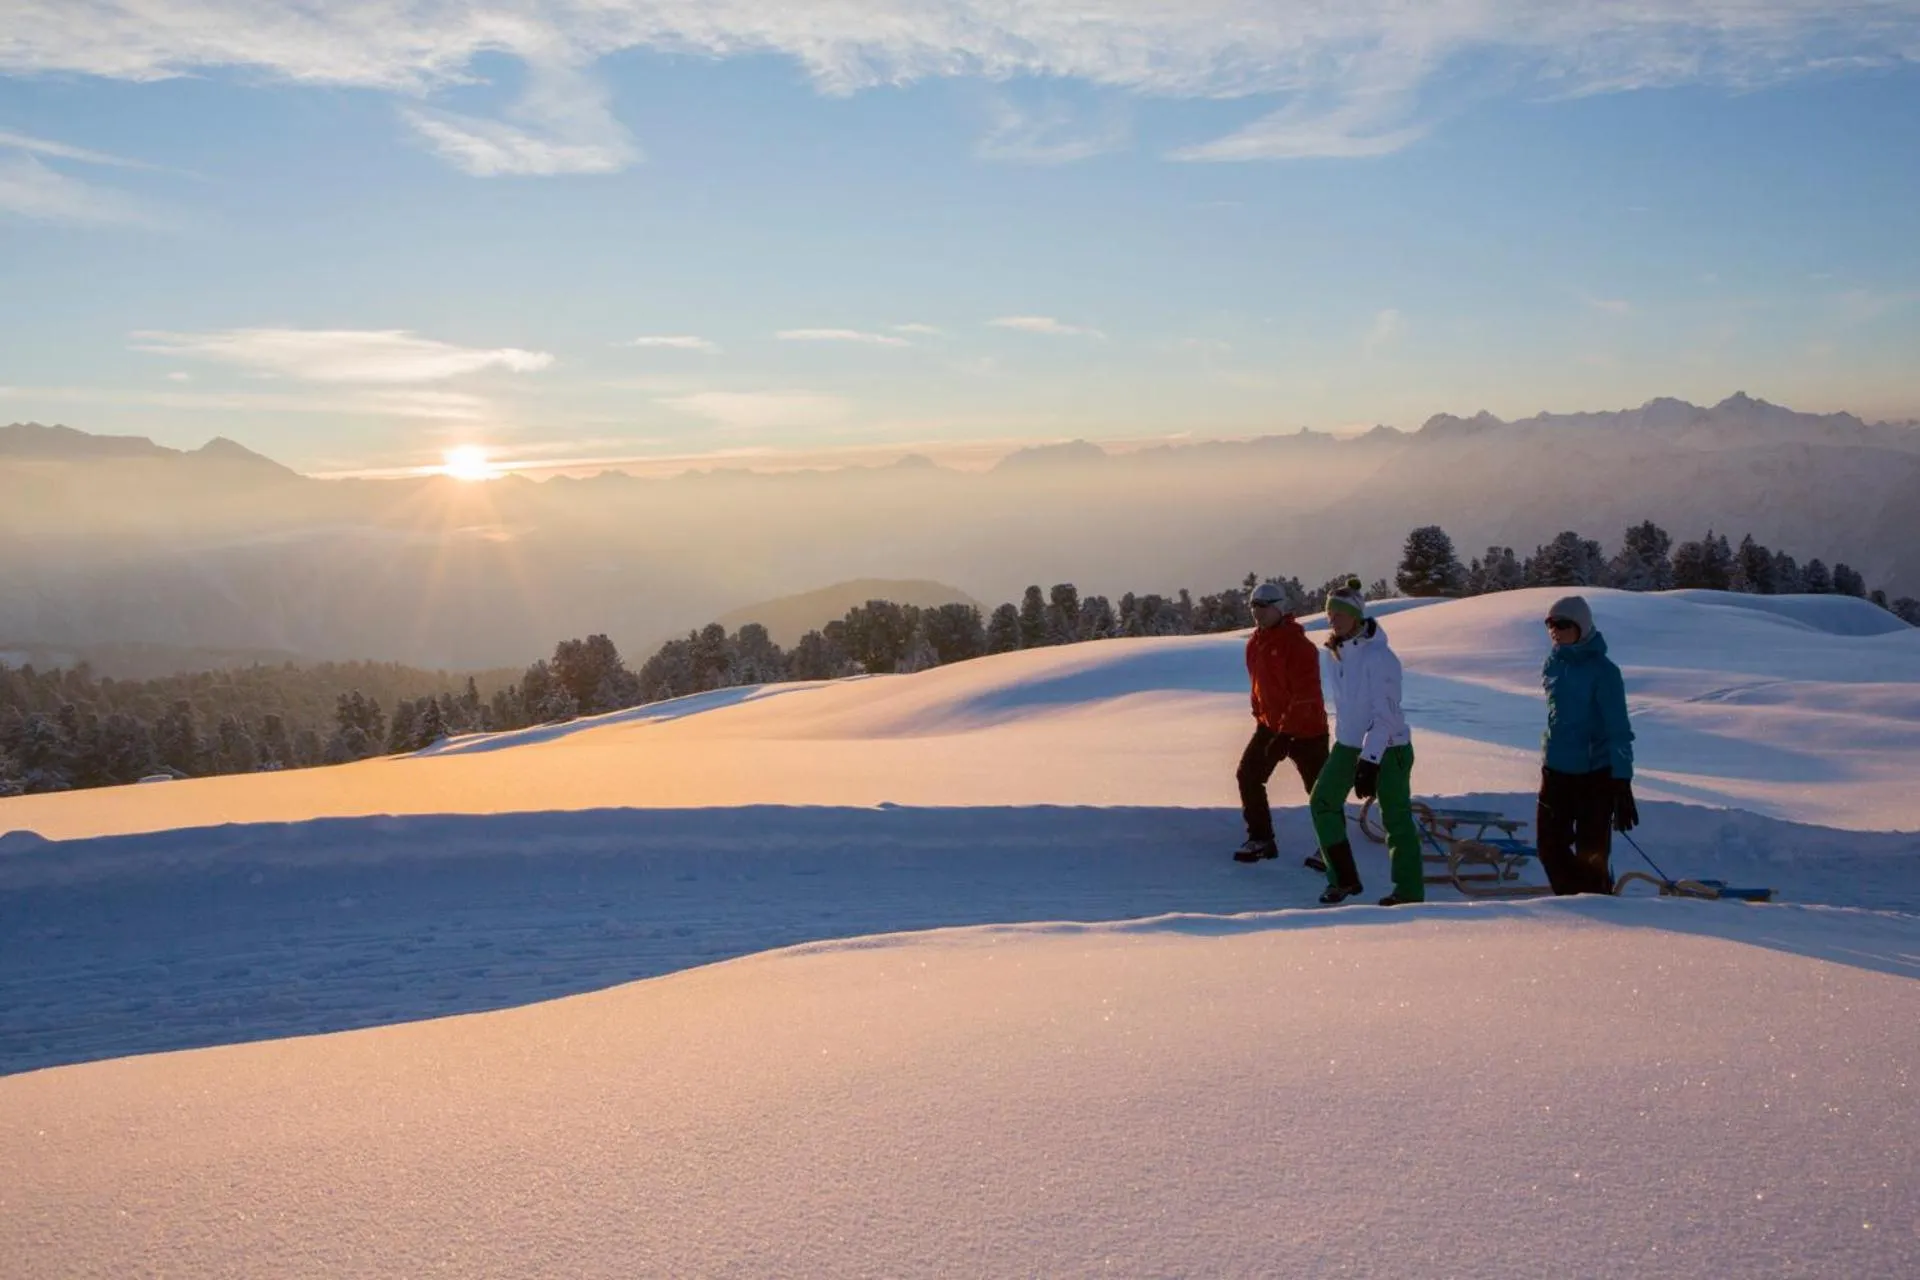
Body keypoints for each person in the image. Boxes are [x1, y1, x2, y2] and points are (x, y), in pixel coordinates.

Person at [1307, 578, 1422, 906]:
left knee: (1395, 818)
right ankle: (1342, 879)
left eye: (1339, 614)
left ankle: (1409, 892)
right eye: (1330, 613)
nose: (1333, 619)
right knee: (1322, 803)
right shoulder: (1335, 653)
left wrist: (1370, 762)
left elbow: (1385, 717)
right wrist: (1349, 748)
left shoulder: (1380, 658)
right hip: (1348, 745)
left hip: (1390, 747)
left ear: (1356, 616)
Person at [1538, 596, 1637, 895]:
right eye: (1550, 624)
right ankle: (1572, 903)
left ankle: (1597, 907)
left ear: (1582, 626)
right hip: (1556, 769)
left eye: (1564, 624)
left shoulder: (1604, 672)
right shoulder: (1553, 663)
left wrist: (1621, 779)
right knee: (1549, 848)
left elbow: (1619, 728)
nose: (1555, 630)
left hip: (1594, 774)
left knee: (1591, 857)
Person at [1231, 580, 1331, 864]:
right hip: (1271, 727)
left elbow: (1305, 694)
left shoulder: (1299, 645)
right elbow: (1258, 686)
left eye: (1263, 606)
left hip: (1307, 730)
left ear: (1279, 608)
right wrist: (1261, 717)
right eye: (1253, 605)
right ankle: (1261, 839)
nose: (1257, 612)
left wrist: (1286, 734)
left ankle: (1331, 848)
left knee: (1321, 791)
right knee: (1248, 776)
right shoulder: (1255, 644)